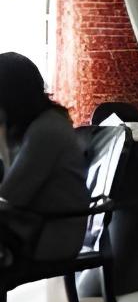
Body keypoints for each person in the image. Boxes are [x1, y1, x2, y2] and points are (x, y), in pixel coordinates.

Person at [0, 52, 88, 262]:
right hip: (32, 226)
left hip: (49, 234)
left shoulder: (45, 130)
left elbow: (11, 194)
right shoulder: (36, 125)